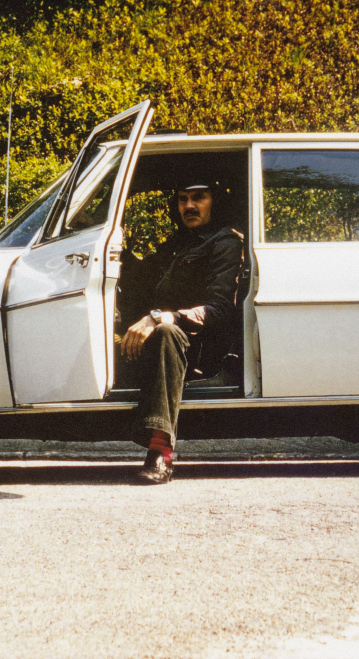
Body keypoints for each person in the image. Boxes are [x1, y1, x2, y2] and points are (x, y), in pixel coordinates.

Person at [118, 177, 245, 485]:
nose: (189, 206)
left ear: (214, 201)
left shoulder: (225, 242)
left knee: (165, 334)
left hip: (199, 346)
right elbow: (141, 278)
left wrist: (163, 317)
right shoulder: (180, 242)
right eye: (182, 199)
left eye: (198, 197)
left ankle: (160, 451)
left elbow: (219, 309)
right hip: (163, 338)